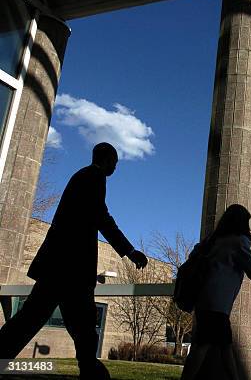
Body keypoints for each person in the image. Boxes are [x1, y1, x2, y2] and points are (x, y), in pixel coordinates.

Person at [0, 142, 148, 379]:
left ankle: (89, 367)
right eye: (115, 162)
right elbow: (102, 218)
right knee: (79, 324)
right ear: (107, 160)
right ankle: (90, 369)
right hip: (71, 269)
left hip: (57, 267)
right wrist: (130, 251)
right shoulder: (94, 177)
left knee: (35, 319)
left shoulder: (82, 177)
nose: (115, 168)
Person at [180, 204, 251, 380]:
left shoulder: (210, 241)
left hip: (204, 302)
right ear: (241, 222)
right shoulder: (238, 242)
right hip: (217, 305)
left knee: (224, 348)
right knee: (202, 348)